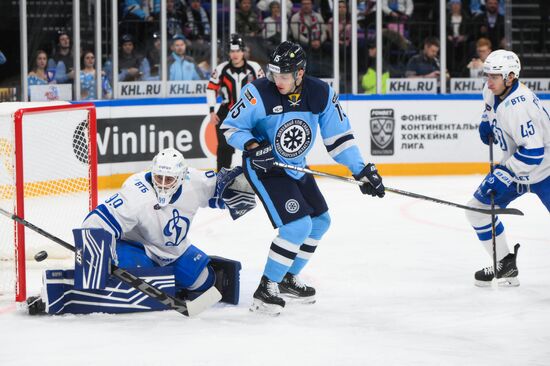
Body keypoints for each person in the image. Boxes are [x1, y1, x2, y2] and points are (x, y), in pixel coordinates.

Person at [220, 41, 386, 315]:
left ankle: (286, 277)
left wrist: (361, 170)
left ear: (300, 73)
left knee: (320, 221)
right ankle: (266, 287)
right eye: (274, 74)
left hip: (296, 165)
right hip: (266, 167)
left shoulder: (320, 93)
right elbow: (231, 127)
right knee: (297, 227)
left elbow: (339, 139)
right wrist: (251, 146)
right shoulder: (258, 92)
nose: (278, 81)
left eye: (284, 75)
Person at [27, 148, 255, 315]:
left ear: (181, 176)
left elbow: (225, 189)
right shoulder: (136, 193)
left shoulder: (195, 181)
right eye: (159, 177)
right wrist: (98, 255)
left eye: (169, 179)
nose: (163, 184)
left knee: (205, 282)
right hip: (138, 246)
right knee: (132, 269)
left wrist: (248, 182)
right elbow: (96, 221)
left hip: (174, 250)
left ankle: (171, 285)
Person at [465, 50, 550, 287]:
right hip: (519, 167)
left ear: (510, 77)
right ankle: (505, 266)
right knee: (477, 210)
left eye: (494, 76)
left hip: (546, 170)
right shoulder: (492, 91)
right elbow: (489, 109)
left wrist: (505, 173)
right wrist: (486, 122)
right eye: (487, 75)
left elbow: (533, 153)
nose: (488, 81)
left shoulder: (520, 106)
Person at [206, 34, 264, 172]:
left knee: (256, 145)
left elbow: (264, 88)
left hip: (250, 113)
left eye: (238, 51)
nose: (235, 54)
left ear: (243, 51)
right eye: (232, 51)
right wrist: (212, 111)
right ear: (228, 53)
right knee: (224, 148)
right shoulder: (221, 69)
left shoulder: (254, 68)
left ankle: (258, 175)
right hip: (226, 113)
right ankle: (221, 177)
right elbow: (210, 89)